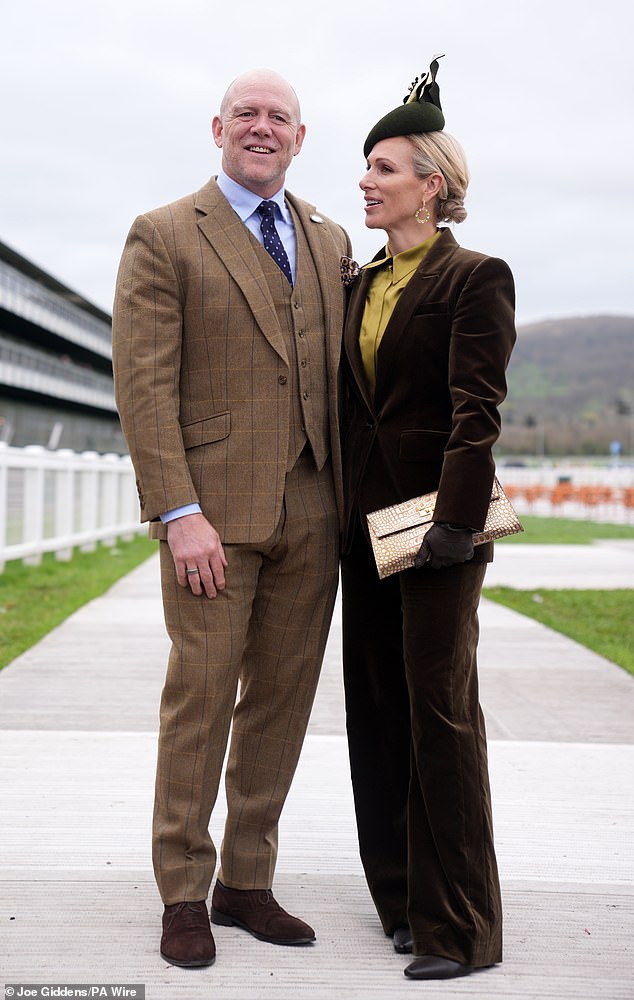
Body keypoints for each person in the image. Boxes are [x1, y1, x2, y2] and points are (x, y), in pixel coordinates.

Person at [112, 68, 351, 969]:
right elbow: (144, 385)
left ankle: (246, 882)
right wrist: (177, 511)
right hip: (209, 515)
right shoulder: (166, 233)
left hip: (315, 507)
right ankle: (182, 889)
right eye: (246, 114)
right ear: (218, 127)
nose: (262, 127)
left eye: (278, 117)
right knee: (202, 698)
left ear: (300, 137)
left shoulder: (328, 238)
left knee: (282, 704)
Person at [339, 58, 516, 981]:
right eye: (363, 167)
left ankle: (462, 929)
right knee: (374, 713)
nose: (365, 181)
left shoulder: (476, 277)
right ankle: (400, 900)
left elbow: (475, 410)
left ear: (430, 185)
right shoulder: (360, 282)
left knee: (440, 716)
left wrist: (454, 525)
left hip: (438, 534)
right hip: (361, 531)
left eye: (383, 168)